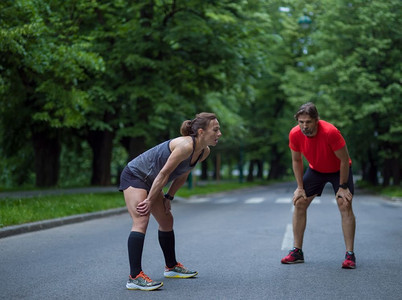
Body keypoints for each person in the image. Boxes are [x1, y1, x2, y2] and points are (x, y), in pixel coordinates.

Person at [119, 112, 222, 291]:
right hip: (136, 175)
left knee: (167, 220)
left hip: (152, 181)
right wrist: (150, 200)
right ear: (200, 132)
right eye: (215, 129)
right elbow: (164, 174)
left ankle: (171, 266)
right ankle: (134, 276)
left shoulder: (203, 151)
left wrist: (169, 197)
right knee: (142, 219)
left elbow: (183, 174)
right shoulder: (184, 146)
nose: (219, 133)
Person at [281, 102, 356, 269]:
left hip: (339, 170)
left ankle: (350, 255)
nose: (304, 126)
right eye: (301, 122)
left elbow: (344, 159)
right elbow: (296, 160)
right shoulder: (294, 134)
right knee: (299, 201)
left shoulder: (330, 132)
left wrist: (343, 186)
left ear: (316, 120)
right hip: (316, 170)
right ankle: (297, 252)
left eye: (308, 122)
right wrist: (300, 187)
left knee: (344, 203)